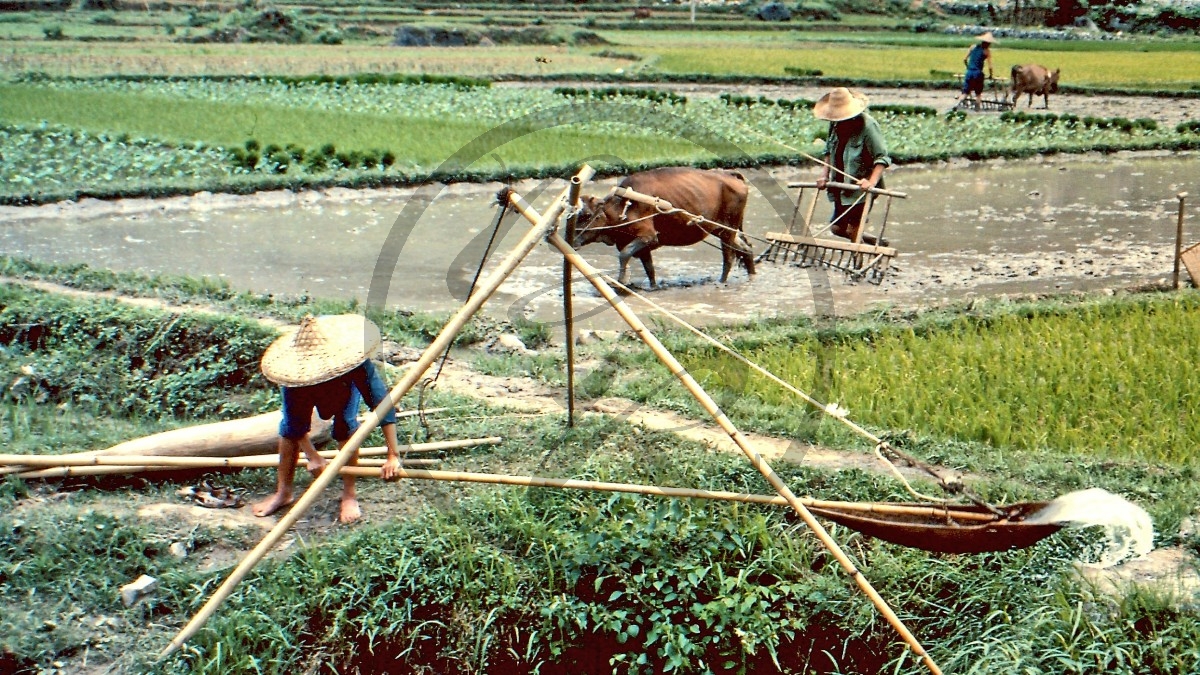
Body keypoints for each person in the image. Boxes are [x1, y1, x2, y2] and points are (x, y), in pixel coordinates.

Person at [253, 314, 403, 524]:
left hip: (344, 389)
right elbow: (294, 424)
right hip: (304, 395)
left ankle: (349, 494)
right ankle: (284, 492)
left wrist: (392, 455)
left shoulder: (355, 365)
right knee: (287, 432)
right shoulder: (295, 377)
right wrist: (312, 456)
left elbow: (383, 406)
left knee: (345, 426)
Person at [813, 87, 891, 246]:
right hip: (840, 185)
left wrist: (871, 182)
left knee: (854, 229)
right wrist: (824, 175)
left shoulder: (868, 126)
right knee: (837, 228)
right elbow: (828, 150)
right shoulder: (834, 125)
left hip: (859, 186)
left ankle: (858, 265)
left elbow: (882, 157)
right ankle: (874, 242)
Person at [952, 32, 996, 111]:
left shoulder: (973, 47)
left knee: (965, 92)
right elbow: (990, 66)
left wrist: (968, 67)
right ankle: (977, 108)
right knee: (978, 94)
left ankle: (956, 105)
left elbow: (964, 59)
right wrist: (990, 75)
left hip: (969, 72)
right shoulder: (987, 51)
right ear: (989, 43)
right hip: (978, 73)